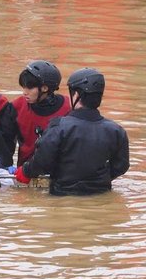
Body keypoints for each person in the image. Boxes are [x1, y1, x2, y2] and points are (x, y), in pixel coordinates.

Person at [15, 68, 130, 196]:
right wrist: (100, 178)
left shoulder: (58, 126)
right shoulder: (117, 131)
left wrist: (25, 171)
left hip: (62, 195)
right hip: (101, 194)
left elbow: (42, 160)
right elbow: (121, 166)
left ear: (76, 95)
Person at [0, 60, 70, 166]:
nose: (24, 92)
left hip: (59, 172)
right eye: (23, 87)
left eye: (29, 88)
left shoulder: (69, 108)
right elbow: (6, 144)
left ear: (45, 88)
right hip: (25, 172)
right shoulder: (16, 107)